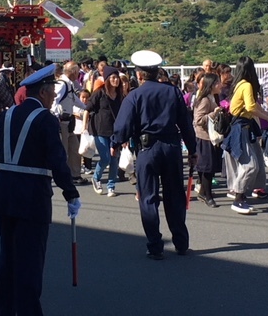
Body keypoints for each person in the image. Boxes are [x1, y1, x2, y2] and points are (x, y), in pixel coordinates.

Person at [0, 63, 80, 315]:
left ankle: (4, 310)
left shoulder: (6, 116)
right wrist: (70, 192)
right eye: (51, 92)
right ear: (42, 93)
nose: (53, 97)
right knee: (29, 262)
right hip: (32, 199)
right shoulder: (45, 119)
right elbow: (58, 161)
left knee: (7, 259)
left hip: (4, 198)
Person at [111, 50, 197, 260]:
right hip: (171, 147)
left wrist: (115, 143)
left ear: (139, 75)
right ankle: (181, 242)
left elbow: (123, 125)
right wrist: (193, 150)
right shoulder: (173, 92)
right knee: (174, 195)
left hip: (147, 149)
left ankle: (155, 245)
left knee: (148, 197)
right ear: (158, 71)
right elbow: (185, 124)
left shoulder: (134, 96)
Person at [222, 56, 268, 214]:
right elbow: (251, 107)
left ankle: (241, 196)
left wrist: (267, 116)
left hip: (242, 127)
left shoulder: (238, 84)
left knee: (253, 164)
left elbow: (250, 107)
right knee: (250, 165)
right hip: (242, 128)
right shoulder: (246, 85)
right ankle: (239, 199)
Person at [85, 66, 123, 196]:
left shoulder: (119, 96)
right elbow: (87, 109)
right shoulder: (99, 93)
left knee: (114, 159)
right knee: (105, 158)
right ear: (107, 79)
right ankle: (96, 178)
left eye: (117, 77)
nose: (115, 80)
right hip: (100, 130)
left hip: (115, 131)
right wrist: (85, 127)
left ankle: (111, 186)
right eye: (112, 77)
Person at [52, 61, 87, 185]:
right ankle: (63, 177)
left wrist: (86, 107)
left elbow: (74, 99)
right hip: (62, 122)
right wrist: (57, 116)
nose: (78, 74)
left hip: (69, 121)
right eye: (77, 71)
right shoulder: (62, 84)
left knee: (75, 149)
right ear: (73, 72)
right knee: (63, 152)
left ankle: (75, 175)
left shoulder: (69, 83)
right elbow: (54, 100)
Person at [192, 72, 222, 208]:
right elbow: (198, 120)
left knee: (208, 167)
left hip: (210, 137)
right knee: (207, 168)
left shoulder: (212, 97)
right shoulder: (204, 100)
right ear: (211, 85)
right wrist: (213, 113)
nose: (220, 85)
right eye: (217, 83)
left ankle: (204, 192)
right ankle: (207, 195)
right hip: (204, 137)